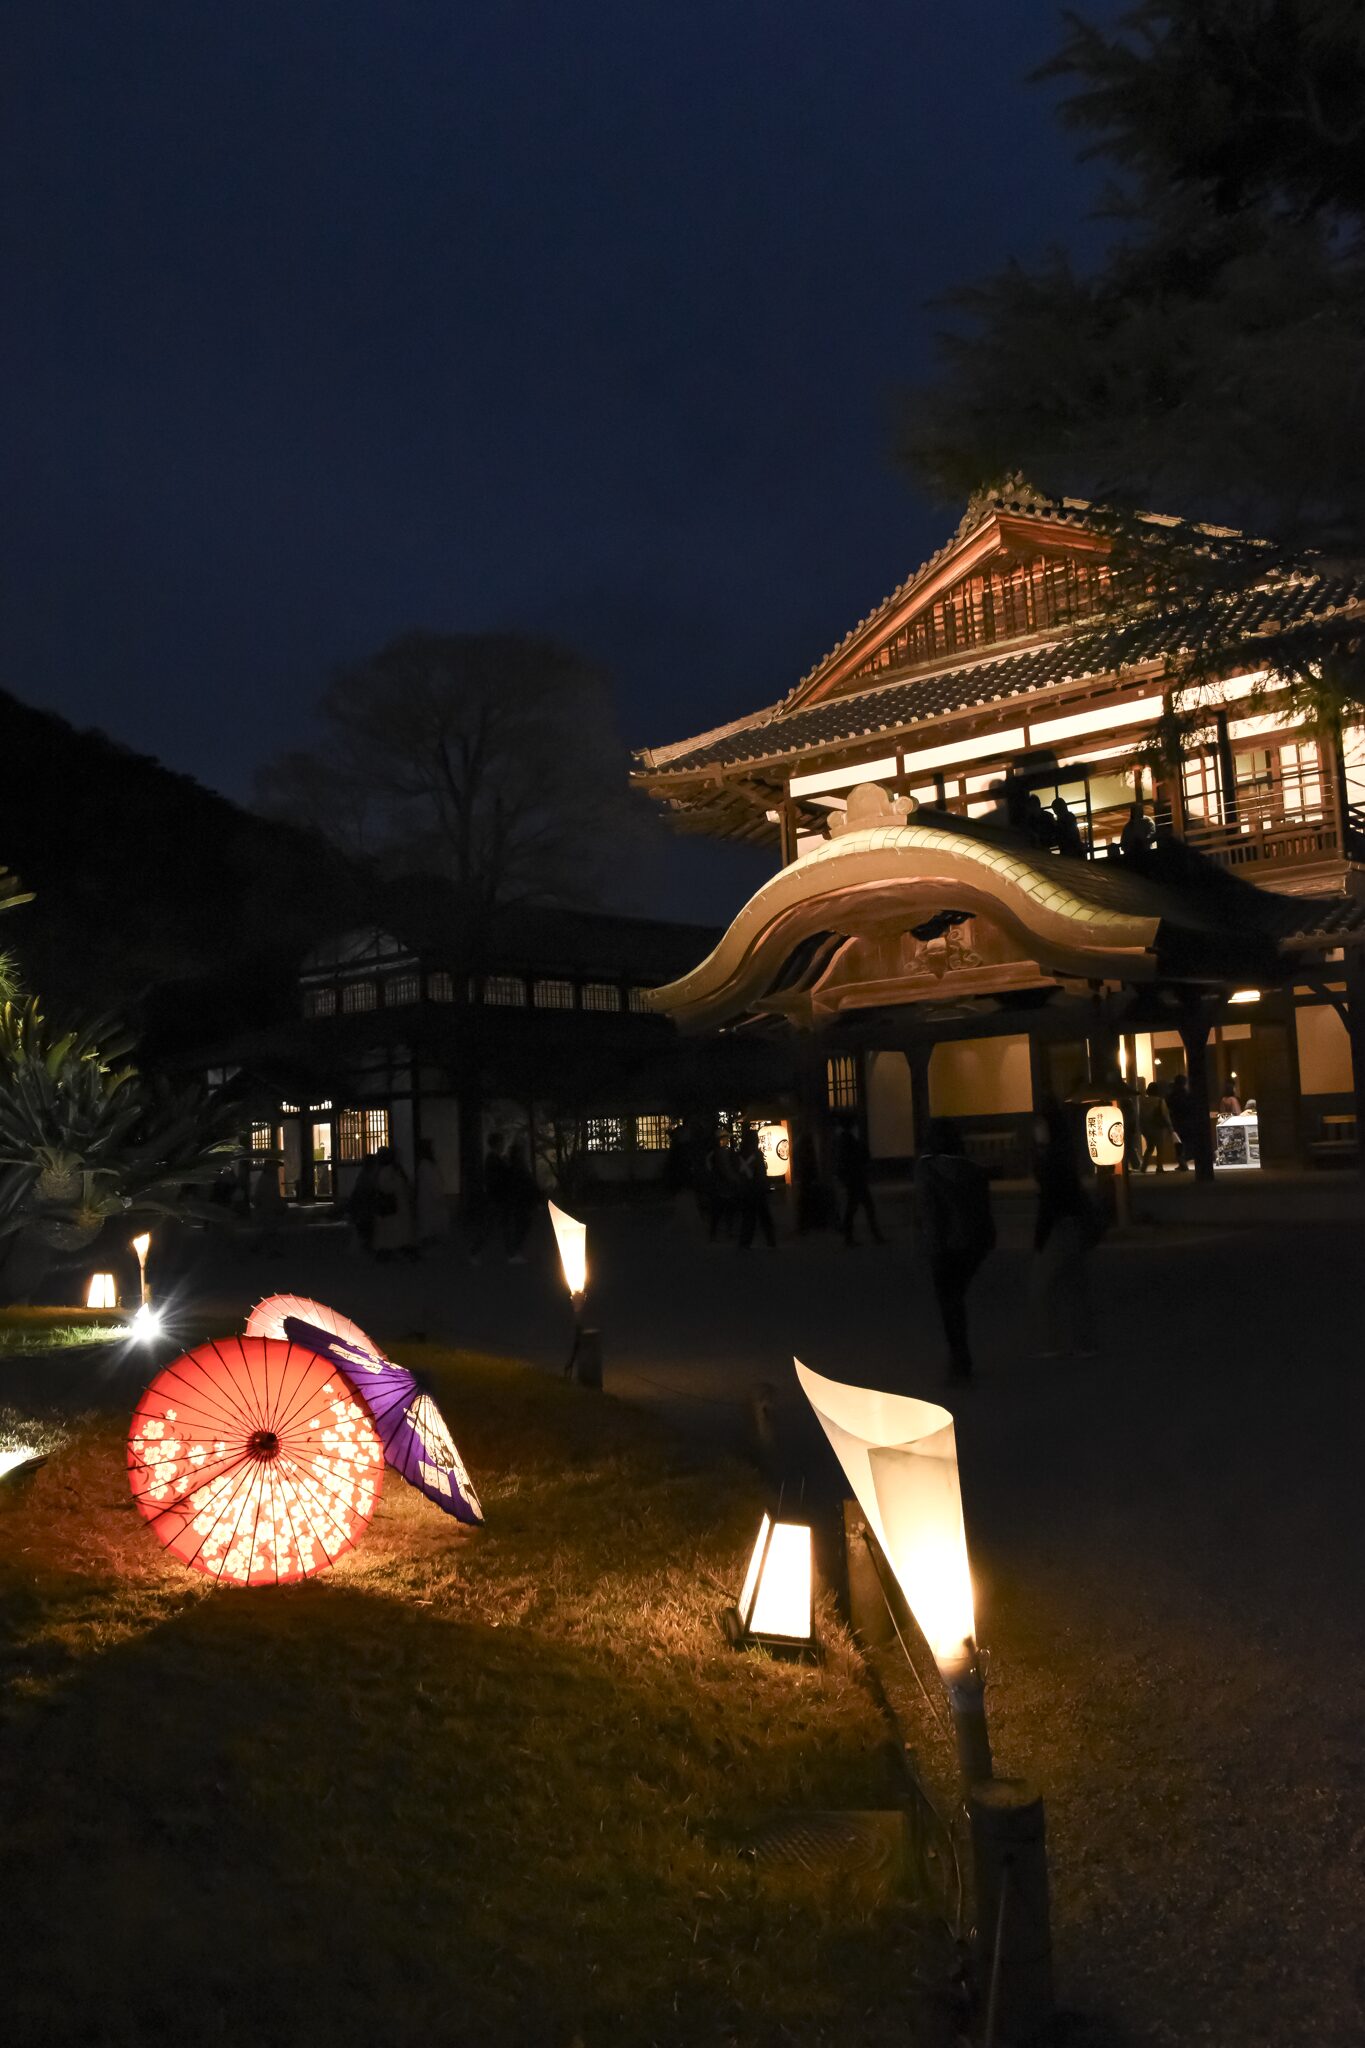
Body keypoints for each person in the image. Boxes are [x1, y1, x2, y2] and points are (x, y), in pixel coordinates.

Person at [914, 1119, 995, 1383]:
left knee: (949, 1305)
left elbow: (930, 1212)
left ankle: (960, 1362)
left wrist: (930, 1246)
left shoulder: (927, 1169)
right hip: (973, 1243)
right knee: (955, 1300)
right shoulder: (972, 1170)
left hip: (944, 1246)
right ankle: (961, 1361)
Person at [1031, 1100, 1100, 1358]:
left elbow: (1050, 1202)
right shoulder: (1064, 1153)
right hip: (1073, 1224)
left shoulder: (1052, 1159)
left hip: (1060, 1227)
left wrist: (1039, 1238)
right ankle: (1082, 1342)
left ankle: (1052, 1343)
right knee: (1074, 1285)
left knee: (1043, 1285)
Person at [834, 1117, 884, 1245]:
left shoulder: (843, 1139)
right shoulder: (849, 1140)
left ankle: (850, 1235)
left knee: (855, 1206)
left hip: (852, 1178)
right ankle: (871, 1234)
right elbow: (857, 1157)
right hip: (856, 1177)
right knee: (863, 1206)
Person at [371, 1147, 417, 1264]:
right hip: (395, 1205)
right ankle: (397, 1251)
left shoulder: (384, 1171)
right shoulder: (393, 1170)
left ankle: (389, 1252)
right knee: (396, 1231)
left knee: (390, 1232)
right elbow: (389, 1187)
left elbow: (384, 1187)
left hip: (392, 1206)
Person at [735, 1126, 776, 1249]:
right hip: (757, 1188)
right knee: (764, 1216)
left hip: (745, 1189)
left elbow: (738, 1172)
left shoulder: (740, 1155)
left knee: (748, 1217)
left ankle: (745, 1242)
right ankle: (770, 1241)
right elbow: (761, 1172)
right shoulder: (756, 1154)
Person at [502, 1139, 539, 1260]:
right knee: (520, 1227)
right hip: (520, 1202)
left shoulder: (517, 1166)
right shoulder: (517, 1167)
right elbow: (521, 1184)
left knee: (521, 1227)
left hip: (522, 1202)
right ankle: (515, 1252)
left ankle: (516, 1251)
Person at [704, 1129, 742, 1241]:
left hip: (720, 1186)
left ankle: (717, 1233)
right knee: (721, 1211)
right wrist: (735, 1179)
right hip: (722, 1185)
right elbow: (726, 1170)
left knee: (722, 1211)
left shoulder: (718, 1153)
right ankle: (720, 1232)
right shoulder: (720, 1153)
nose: (727, 1140)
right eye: (725, 1138)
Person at [413, 1138, 449, 1248]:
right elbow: (433, 1182)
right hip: (429, 1196)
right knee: (429, 1219)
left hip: (428, 1196)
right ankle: (428, 1239)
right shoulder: (426, 1164)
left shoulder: (425, 1164)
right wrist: (438, 1194)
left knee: (430, 1219)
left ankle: (430, 1238)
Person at [346, 1153, 381, 1254]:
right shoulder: (369, 1177)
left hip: (362, 1209)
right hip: (365, 1209)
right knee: (366, 1229)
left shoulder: (363, 1176)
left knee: (364, 1229)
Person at [1139, 1079, 1175, 1171]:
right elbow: (1165, 1114)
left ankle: (1144, 1167)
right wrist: (1170, 1126)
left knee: (1150, 1148)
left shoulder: (1143, 1101)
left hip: (1146, 1127)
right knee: (1160, 1148)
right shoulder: (1159, 1101)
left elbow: (1140, 1115)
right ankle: (1159, 1167)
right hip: (1158, 1127)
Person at [1167, 1072, 1197, 1172]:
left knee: (1178, 1143)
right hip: (1188, 1121)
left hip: (1176, 1121)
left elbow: (1169, 1108)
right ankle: (1184, 1160)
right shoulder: (1187, 1094)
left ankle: (1182, 1161)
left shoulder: (1172, 1095)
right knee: (1187, 1142)